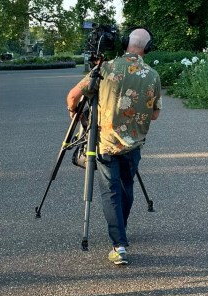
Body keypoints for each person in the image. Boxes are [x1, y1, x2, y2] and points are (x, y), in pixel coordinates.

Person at [66, 28, 161, 266]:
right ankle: (121, 229)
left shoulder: (105, 69)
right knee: (126, 187)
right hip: (134, 143)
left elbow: (72, 97)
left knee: (111, 192)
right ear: (147, 48)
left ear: (126, 42)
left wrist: (74, 114)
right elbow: (155, 114)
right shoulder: (152, 75)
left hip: (105, 142)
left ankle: (119, 245)